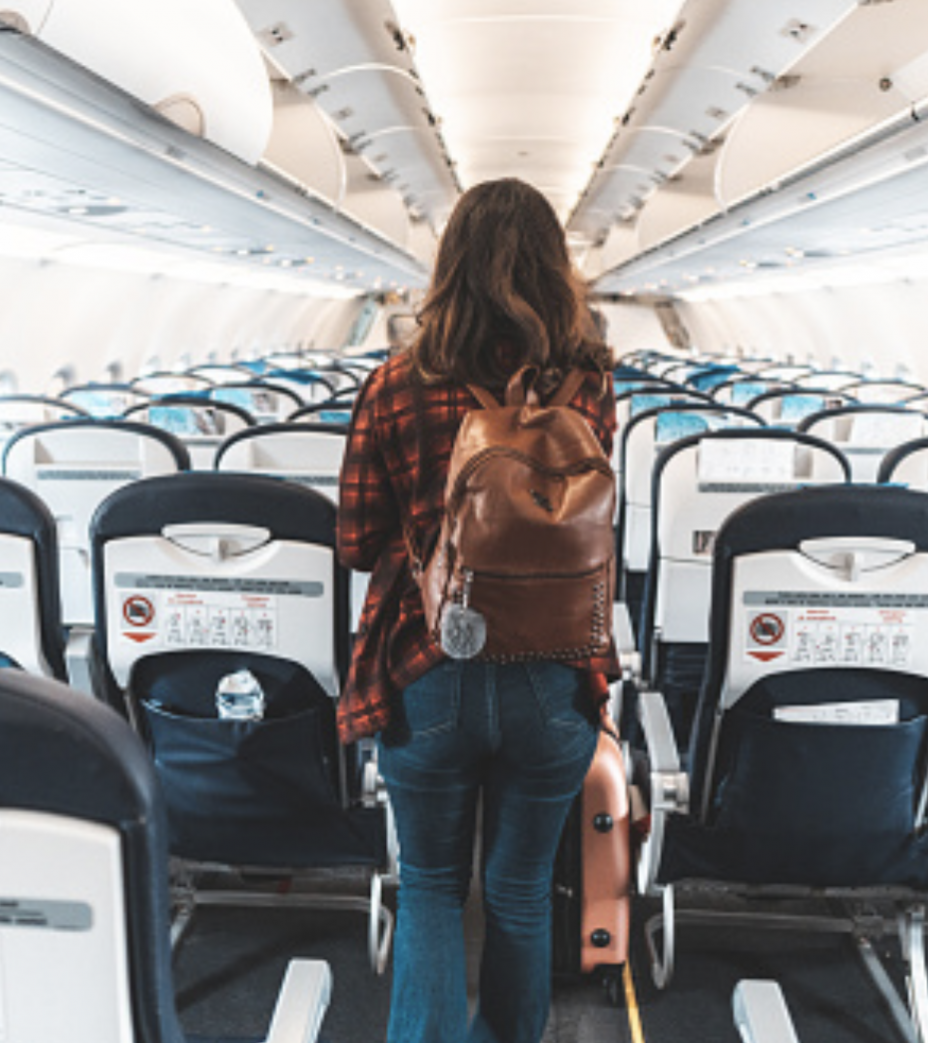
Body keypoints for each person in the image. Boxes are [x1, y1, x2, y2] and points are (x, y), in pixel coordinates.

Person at [336, 177, 618, 1043]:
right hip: (554, 668)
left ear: (449, 266)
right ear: (555, 270)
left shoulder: (394, 383)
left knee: (428, 886)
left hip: (430, 664)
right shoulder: (589, 385)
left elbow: (356, 540)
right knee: (521, 891)